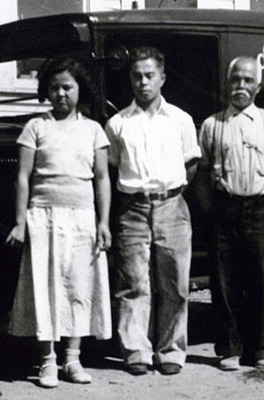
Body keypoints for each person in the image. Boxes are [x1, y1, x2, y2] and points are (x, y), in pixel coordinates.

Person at [196, 56, 264, 371]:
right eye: (236, 80)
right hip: (224, 208)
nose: (241, 86)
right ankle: (228, 350)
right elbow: (202, 171)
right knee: (223, 281)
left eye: (248, 81)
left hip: (261, 208)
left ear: (258, 87)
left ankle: (258, 351)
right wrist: (210, 209)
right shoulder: (212, 125)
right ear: (227, 84)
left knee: (259, 281)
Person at [6, 58, 112, 388]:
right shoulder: (36, 127)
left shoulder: (94, 129)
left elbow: (102, 178)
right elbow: (22, 178)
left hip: (82, 219)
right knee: (46, 287)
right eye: (54, 87)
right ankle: (47, 361)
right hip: (44, 218)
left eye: (67, 86)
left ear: (80, 89)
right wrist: (20, 222)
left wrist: (104, 221)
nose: (61, 93)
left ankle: (72, 359)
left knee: (79, 287)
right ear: (46, 92)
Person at [105, 47, 201, 376]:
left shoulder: (181, 120)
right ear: (130, 79)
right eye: (137, 76)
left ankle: (171, 349)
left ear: (162, 78)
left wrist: (169, 193)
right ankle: (136, 350)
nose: (143, 82)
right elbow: (113, 167)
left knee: (175, 283)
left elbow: (191, 164)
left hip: (172, 206)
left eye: (149, 75)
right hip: (132, 208)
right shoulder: (117, 124)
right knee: (133, 282)